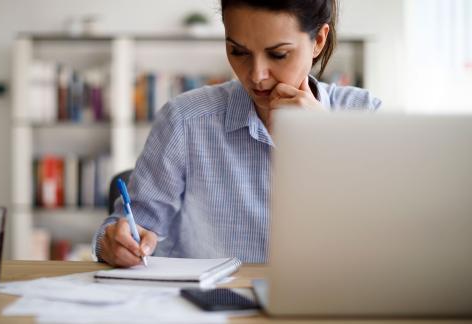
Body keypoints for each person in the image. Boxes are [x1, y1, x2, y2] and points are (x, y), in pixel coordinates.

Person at [92, 0, 381, 267]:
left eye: (278, 54)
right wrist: (113, 244)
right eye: (238, 51)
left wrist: (327, 141)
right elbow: (129, 228)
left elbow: (384, 240)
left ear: (318, 40)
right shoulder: (185, 120)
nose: (256, 75)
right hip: (206, 309)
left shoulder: (364, 116)